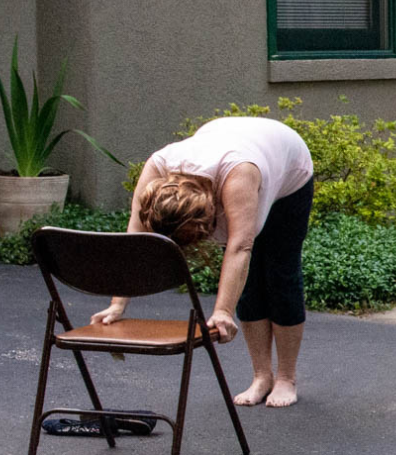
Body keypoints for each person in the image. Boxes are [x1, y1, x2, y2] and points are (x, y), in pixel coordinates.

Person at [91, 116, 316, 408]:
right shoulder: (157, 169)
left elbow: (239, 247)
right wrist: (118, 303)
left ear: (210, 214)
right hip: (234, 142)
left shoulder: (238, 176)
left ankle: (286, 377)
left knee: (279, 272)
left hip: (288, 170)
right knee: (250, 286)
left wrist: (223, 311)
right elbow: (135, 243)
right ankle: (262, 376)